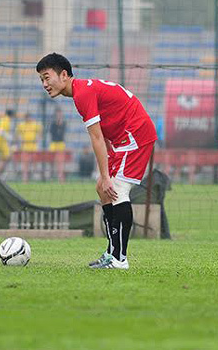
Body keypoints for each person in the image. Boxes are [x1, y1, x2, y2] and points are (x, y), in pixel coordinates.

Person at [36, 53, 157, 270]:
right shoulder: (82, 91)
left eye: (47, 77)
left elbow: (96, 137)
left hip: (135, 134)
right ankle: (112, 252)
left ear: (64, 75)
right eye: (41, 80)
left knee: (117, 189)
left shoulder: (82, 94)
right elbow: (105, 130)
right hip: (123, 139)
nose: (45, 84)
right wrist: (104, 177)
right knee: (103, 189)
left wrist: (106, 175)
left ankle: (120, 259)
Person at [16, 112, 42, 182]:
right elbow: (18, 135)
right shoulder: (21, 125)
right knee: (25, 164)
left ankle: (36, 177)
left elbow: (40, 133)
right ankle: (25, 179)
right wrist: (21, 140)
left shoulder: (35, 124)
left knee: (35, 163)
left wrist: (37, 139)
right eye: (27, 117)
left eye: (29, 117)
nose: (28, 119)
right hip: (24, 147)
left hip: (33, 147)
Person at [0, 109, 14, 176]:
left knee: (5, 158)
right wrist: (9, 137)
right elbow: (1, 131)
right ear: (12, 115)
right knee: (7, 157)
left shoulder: (3, 119)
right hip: (0, 142)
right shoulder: (6, 120)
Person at [49, 107, 67, 182]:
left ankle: (61, 177)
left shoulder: (64, 123)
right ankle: (51, 176)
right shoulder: (53, 123)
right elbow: (52, 133)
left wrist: (60, 124)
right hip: (53, 143)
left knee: (61, 162)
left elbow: (62, 133)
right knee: (52, 161)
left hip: (60, 143)